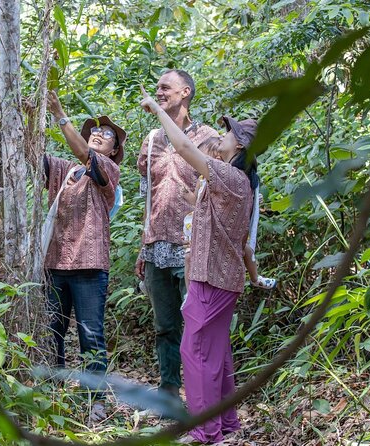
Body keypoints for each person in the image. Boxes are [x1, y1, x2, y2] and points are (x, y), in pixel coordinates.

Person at [142, 85, 256, 444]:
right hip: (220, 277)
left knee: (195, 352)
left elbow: (184, 147)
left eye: (228, 133)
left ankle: (205, 431)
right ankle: (225, 424)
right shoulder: (233, 181)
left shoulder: (231, 177)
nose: (221, 136)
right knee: (216, 353)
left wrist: (158, 112)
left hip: (213, 278)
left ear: (239, 145)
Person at [134, 69, 219, 401]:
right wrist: (144, 245)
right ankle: (169, 394)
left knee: (198, 325)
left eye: (165, 87)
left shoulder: (209, 138)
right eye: (156, 88)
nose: (159, 92)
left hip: (192, 247)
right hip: (156, 247)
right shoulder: (152, 140)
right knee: (165, 326)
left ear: (185, 92)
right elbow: (148, 194)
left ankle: (203, 395)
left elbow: (217, 190)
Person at [44, 90, 126, 423]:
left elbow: (83, 153)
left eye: (106, 134)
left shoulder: (106, 169)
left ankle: (95, 399)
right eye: (94, 130)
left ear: (114, 150)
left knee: (91, 334)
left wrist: (59, 113)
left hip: (90, 265)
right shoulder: (66, 171)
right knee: (53, 331)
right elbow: (37, 160)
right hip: (55, 263)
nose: (97, 134)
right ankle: (51, 394)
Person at [184, 137, 277, 291]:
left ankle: (255, 277)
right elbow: (197, 201)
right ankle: (189, 294)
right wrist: (185, 195)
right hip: (204, 227)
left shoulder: (229, 177)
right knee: (189, 258)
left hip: (227, 233)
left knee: (247, 249)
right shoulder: (202, 180)